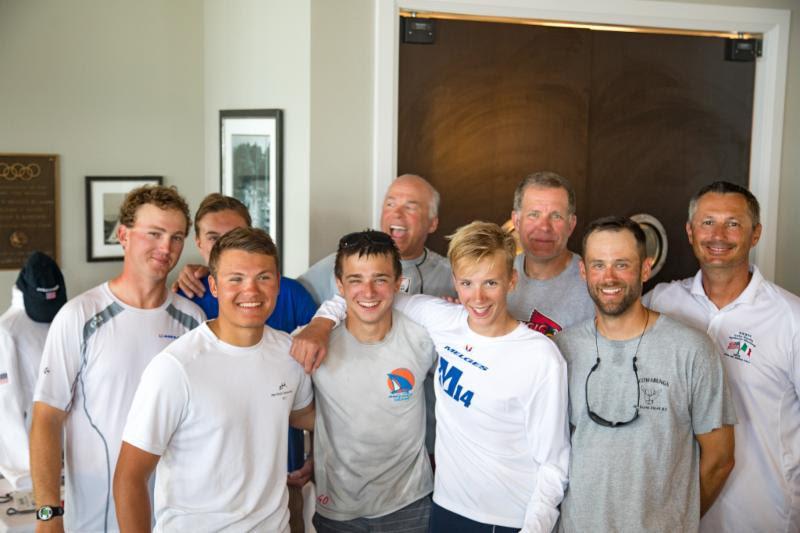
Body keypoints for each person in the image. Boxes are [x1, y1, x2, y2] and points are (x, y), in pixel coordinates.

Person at [303, 221, 570, 532]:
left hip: (507, 518)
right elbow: (370, 294)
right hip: (446, 508)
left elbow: (554, 461)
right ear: (454, 282)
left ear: (512, 281)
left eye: (491, 283)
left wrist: (536, 528)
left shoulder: (539, 355)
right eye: (468, 283)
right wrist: (321, 322)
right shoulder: (442, 319)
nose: (478, 298)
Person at [30, 185, 205, 532]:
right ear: (123, 235)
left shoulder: (193, 321)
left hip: (176, 518)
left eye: (176, 237)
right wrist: (48, 513)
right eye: (154, 234)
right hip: (96, 518)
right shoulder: (79, 315)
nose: (166, 248)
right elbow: (46, 418)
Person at [114, 227, 313, 532]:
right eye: (236, 279)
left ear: (277, 284)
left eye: (264, 277)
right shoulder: (176, 367)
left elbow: (306, 416)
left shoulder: (288, 353)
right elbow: (129, 477)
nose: (251, 291)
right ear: (215, 286)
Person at [555, 215, 736, 532]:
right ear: (583, 271)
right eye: (598, 265)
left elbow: (720, 460)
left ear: (645, 268)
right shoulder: (562, 349)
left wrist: (676, 517)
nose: (608, 277)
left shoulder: (692, 349)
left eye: (622, 264)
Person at [644, 181, 800, 532]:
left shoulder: (791, 319)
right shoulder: (660, 303)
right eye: (707, 222)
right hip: (673, 516)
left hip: (763, 517)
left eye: (733, 223)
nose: (718, 235)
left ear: (755, 233)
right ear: (689, 231)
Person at [176, 193, 317, 531]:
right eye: (214, 237)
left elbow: (319, 385)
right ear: (198, 242)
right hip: (207, 488)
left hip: (282, 470)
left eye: (236, 233)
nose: (227, 243)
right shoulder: (184, 300)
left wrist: (323, 452)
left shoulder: (290, 294)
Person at [310, 230, 435, 532]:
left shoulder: (425, 337)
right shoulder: (314, 344)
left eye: (380, 279)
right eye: (355, 280)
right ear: (339, 284)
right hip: (338, 508)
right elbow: (291, 409)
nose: (368, 292)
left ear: (396, 282)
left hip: (410, 503)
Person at [297, 173, 456, 305]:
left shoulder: (452, 276)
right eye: (390, 204)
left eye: (410, 207)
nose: (397, 213)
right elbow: (288, 297)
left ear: (432, 224)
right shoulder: (341, 263)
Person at [0, 252, 66, 490]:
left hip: (67, 454)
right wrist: (25, 472)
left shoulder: (65, 320)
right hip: (28, 461)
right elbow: (6, 407)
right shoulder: (7, 331)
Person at [508, 171, 594, 335]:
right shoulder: (496, 276)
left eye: (556, 216)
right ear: (517, 221)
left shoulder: (594, 284)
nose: (544, 227)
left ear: (571, 224)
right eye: (534, 215)